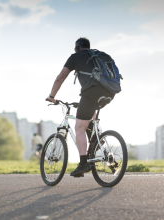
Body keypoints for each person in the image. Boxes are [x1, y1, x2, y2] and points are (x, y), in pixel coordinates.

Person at [46, 37, 115, 176]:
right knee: (89, 121)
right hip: (109, 92)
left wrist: (51, 96)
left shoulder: (75, 56)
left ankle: (83, 163)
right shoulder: (97, 56)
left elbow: (60, 78)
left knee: (79, 127)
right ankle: (99, 148)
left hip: (90, 94)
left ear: (77, 48)